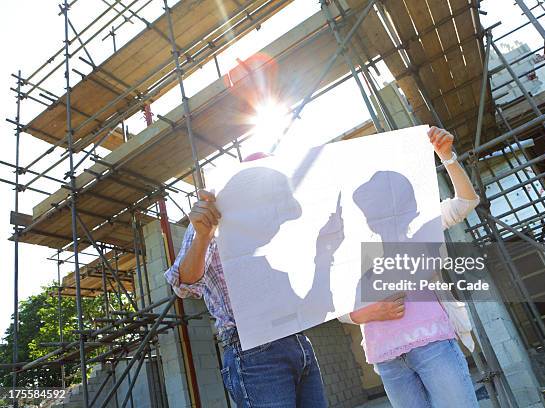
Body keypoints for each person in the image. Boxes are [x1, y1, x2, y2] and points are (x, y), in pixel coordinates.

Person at [164, 153, 330, 408]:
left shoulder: (280, 231)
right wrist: (203, 237)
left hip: (297, 339)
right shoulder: (214, 222)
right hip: (255, 351)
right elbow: (184, 284)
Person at [338, 126, 481, 408]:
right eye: (368, 206)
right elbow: (339, 305)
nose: (373, 213)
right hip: (387, 359)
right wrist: (363, 313)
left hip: (433, 345)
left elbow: (465, 202)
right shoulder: (351, 248)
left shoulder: (421, 229)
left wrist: (447, 157)